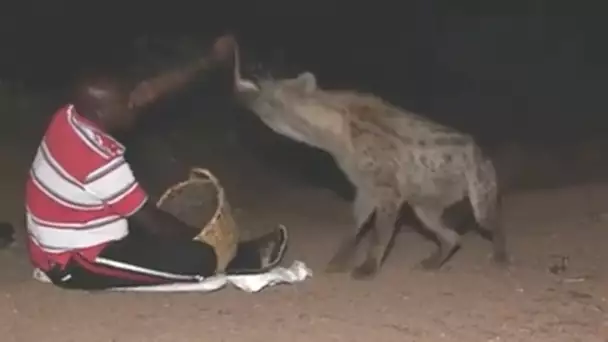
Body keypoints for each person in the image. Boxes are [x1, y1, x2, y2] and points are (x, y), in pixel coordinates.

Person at [25, 34, 288, 290]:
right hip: (74, 260)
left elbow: (149, 91)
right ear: (100, 112)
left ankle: (231, 253)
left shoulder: (69, 116)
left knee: (166, 232)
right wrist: (208, 239)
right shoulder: (96, 160)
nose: (136, 103)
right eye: (127, 102)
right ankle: (234, 257)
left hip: (73, 233)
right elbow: (150, 220)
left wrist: (208, 61)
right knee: (199, 259)